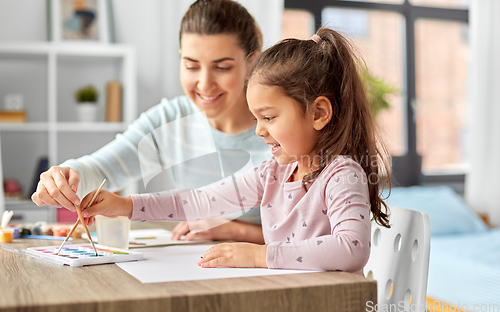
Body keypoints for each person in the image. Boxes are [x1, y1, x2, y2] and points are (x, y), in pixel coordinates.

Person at [80, 27, 392, 274]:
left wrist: (259, 255)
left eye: (269, 117)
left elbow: (351, 249)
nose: (259, 130)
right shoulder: (274, 173)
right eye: (257, 118)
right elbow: (200, 200)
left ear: (319, 113)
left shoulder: (342, 174)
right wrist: (125, 206)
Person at [31, 0, 269, 244]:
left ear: (252, 62)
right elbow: (103, 169)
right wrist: (66, 177)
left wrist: (237, 231)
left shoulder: (279, 130)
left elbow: (307, 234)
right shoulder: (171, 120)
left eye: (222, 67)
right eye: (191, 66)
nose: (205, 84)